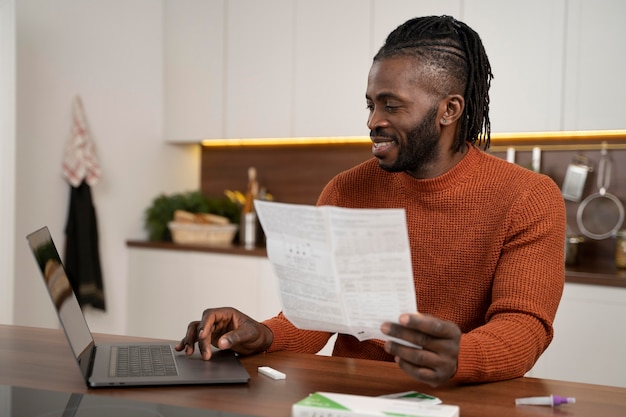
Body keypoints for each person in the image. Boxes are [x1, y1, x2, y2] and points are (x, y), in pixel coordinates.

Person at [175, 15, 566, 387]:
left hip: (460, 398)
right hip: (347, 396)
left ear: (449, 110)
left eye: (391, 105)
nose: (373, 121)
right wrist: (261, 334)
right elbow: (317, 317)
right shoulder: (346, 191)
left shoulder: (529, 197)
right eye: (371, 104)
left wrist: (461, 356)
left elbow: (524, 327)